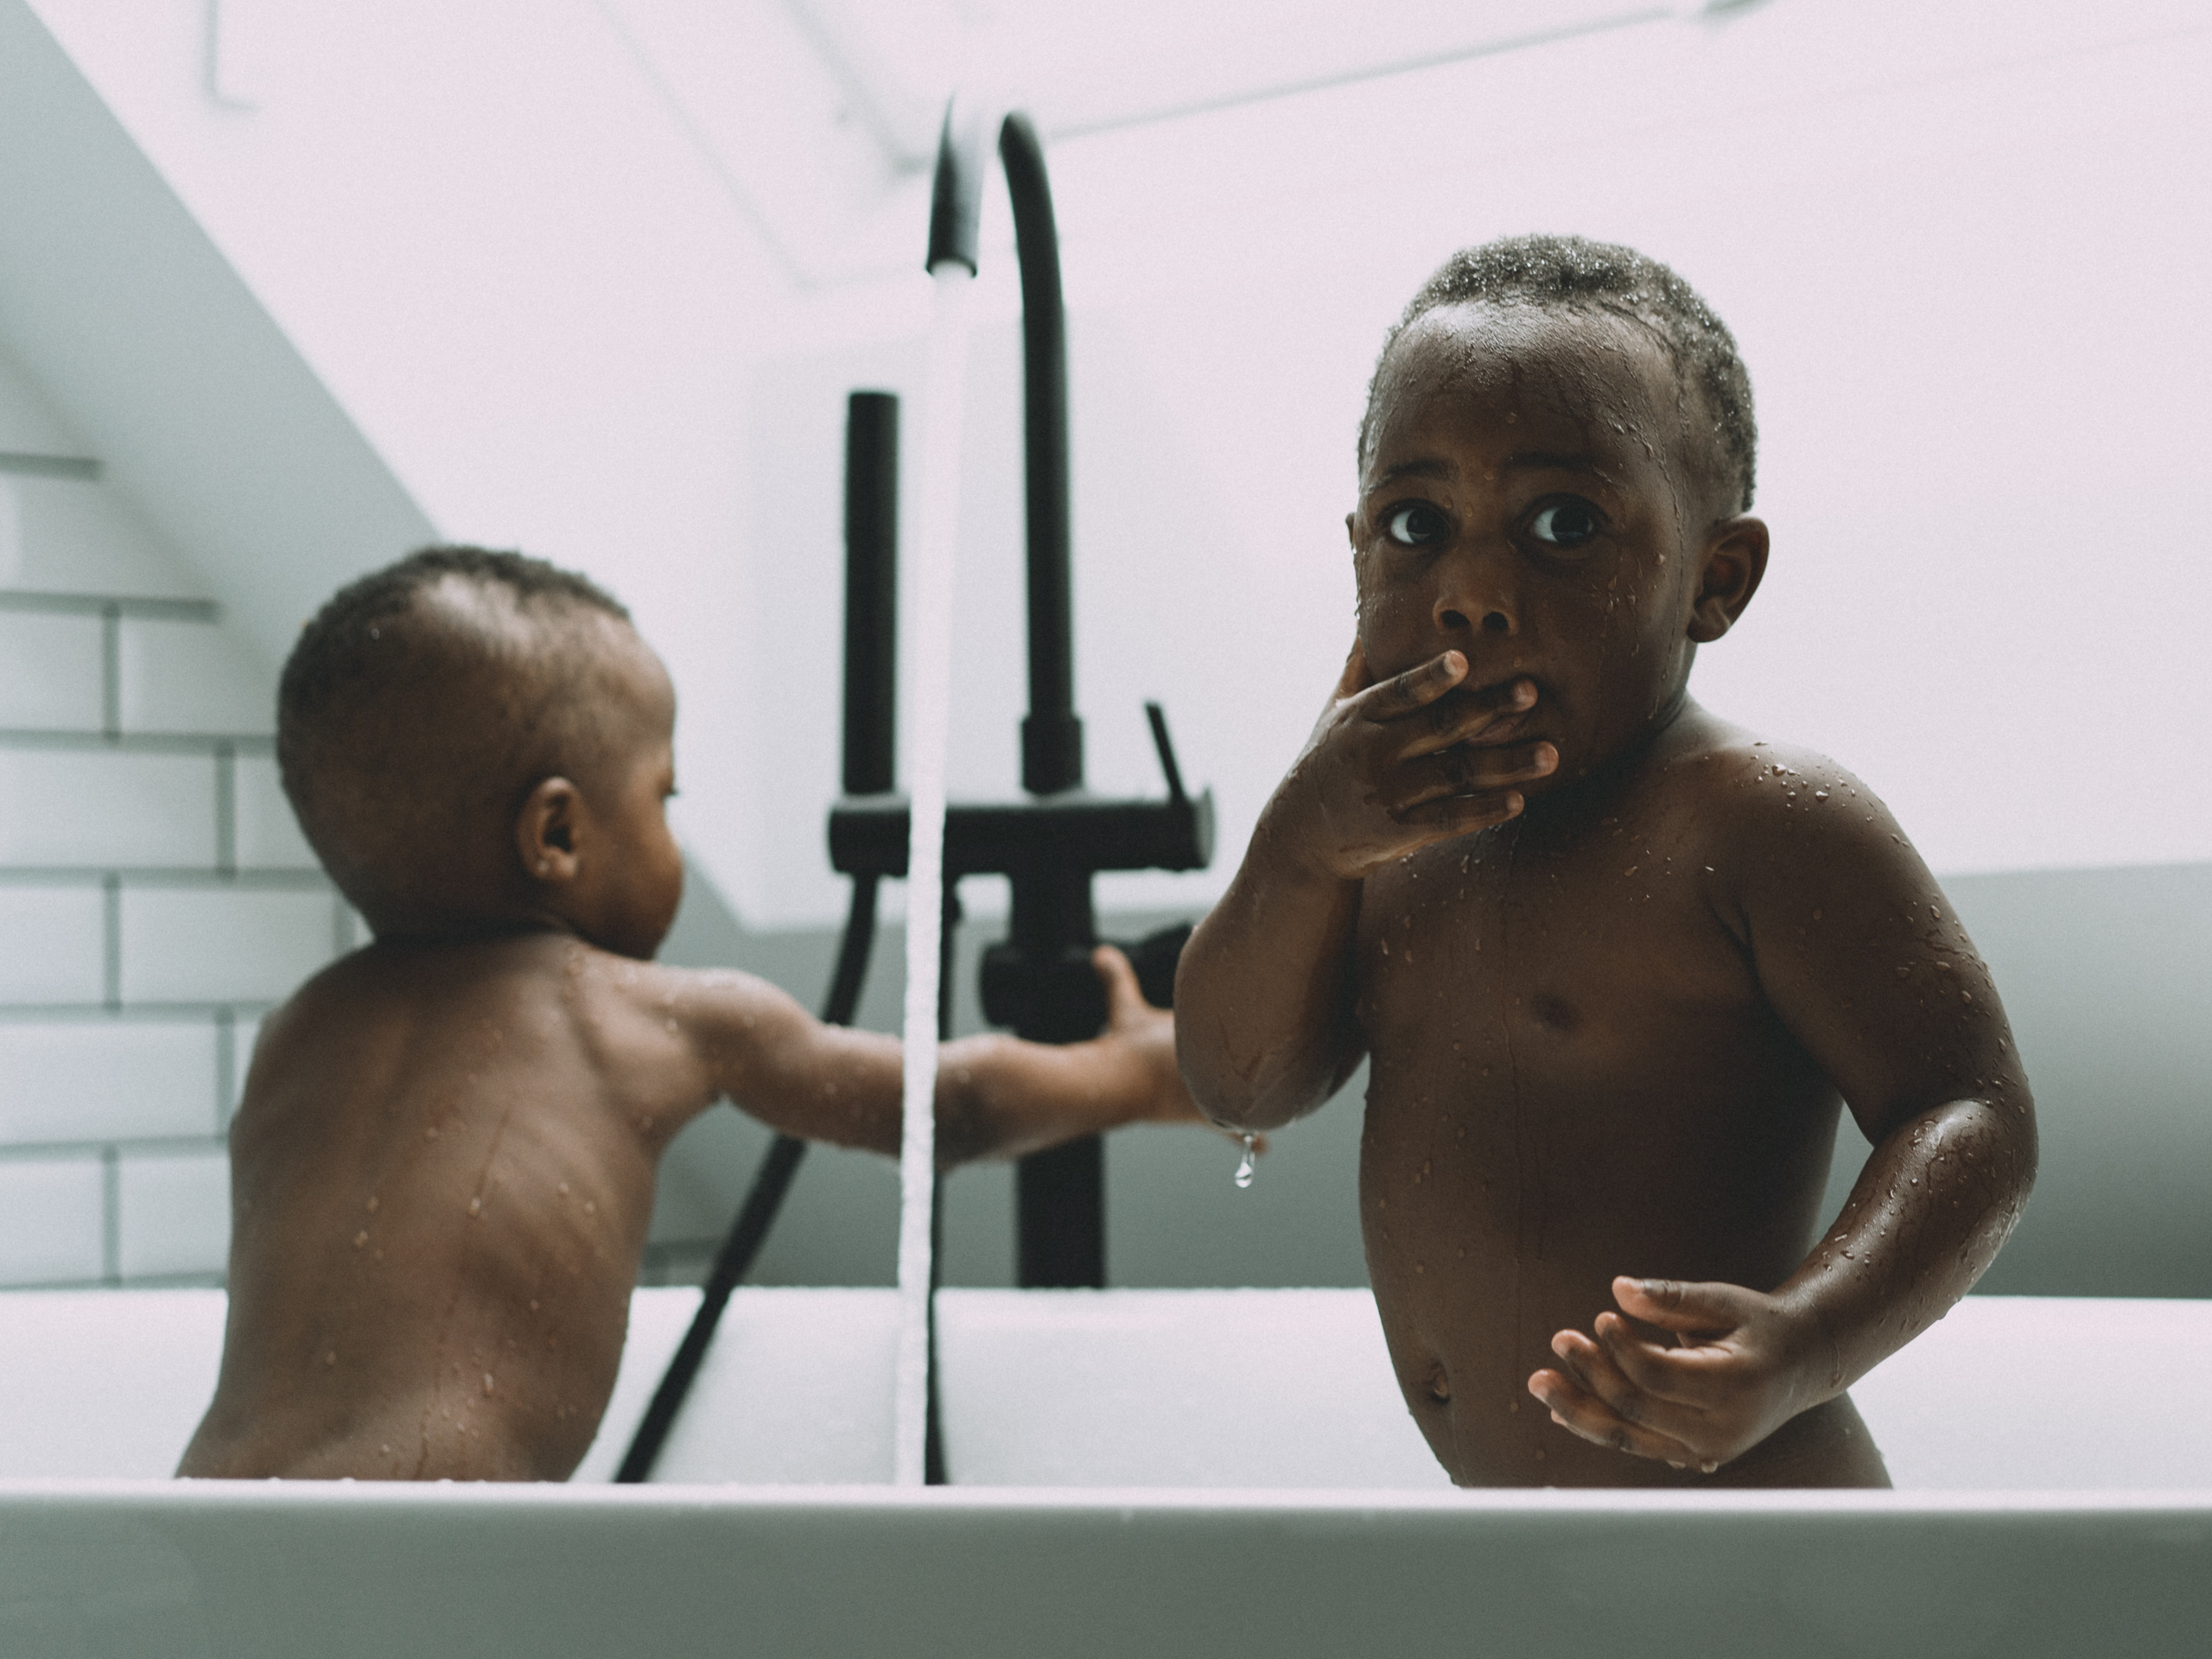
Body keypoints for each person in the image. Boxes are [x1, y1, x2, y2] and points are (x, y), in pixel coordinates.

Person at [1175, 235, 2037, 1488]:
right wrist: (1299, 848)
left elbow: (1972, 1116)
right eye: (1417, 524)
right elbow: (1243, 1085)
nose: (1472, 588)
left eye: (1562, 523)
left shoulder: (1754, 823)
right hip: (1519, 1553)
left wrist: (1803, 1345)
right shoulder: (1376, 826)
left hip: (1753, 1548)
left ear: (1715, 578)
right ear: (1358, 546)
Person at [179, 546, 1192, 1483]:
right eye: (665, 795)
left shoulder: (297, 1034)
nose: (670, 824)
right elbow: (944, 1108)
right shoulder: (646, 1015)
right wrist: (1141, 1071)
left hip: (207, 1541)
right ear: (560, 832)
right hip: (438, 1562)